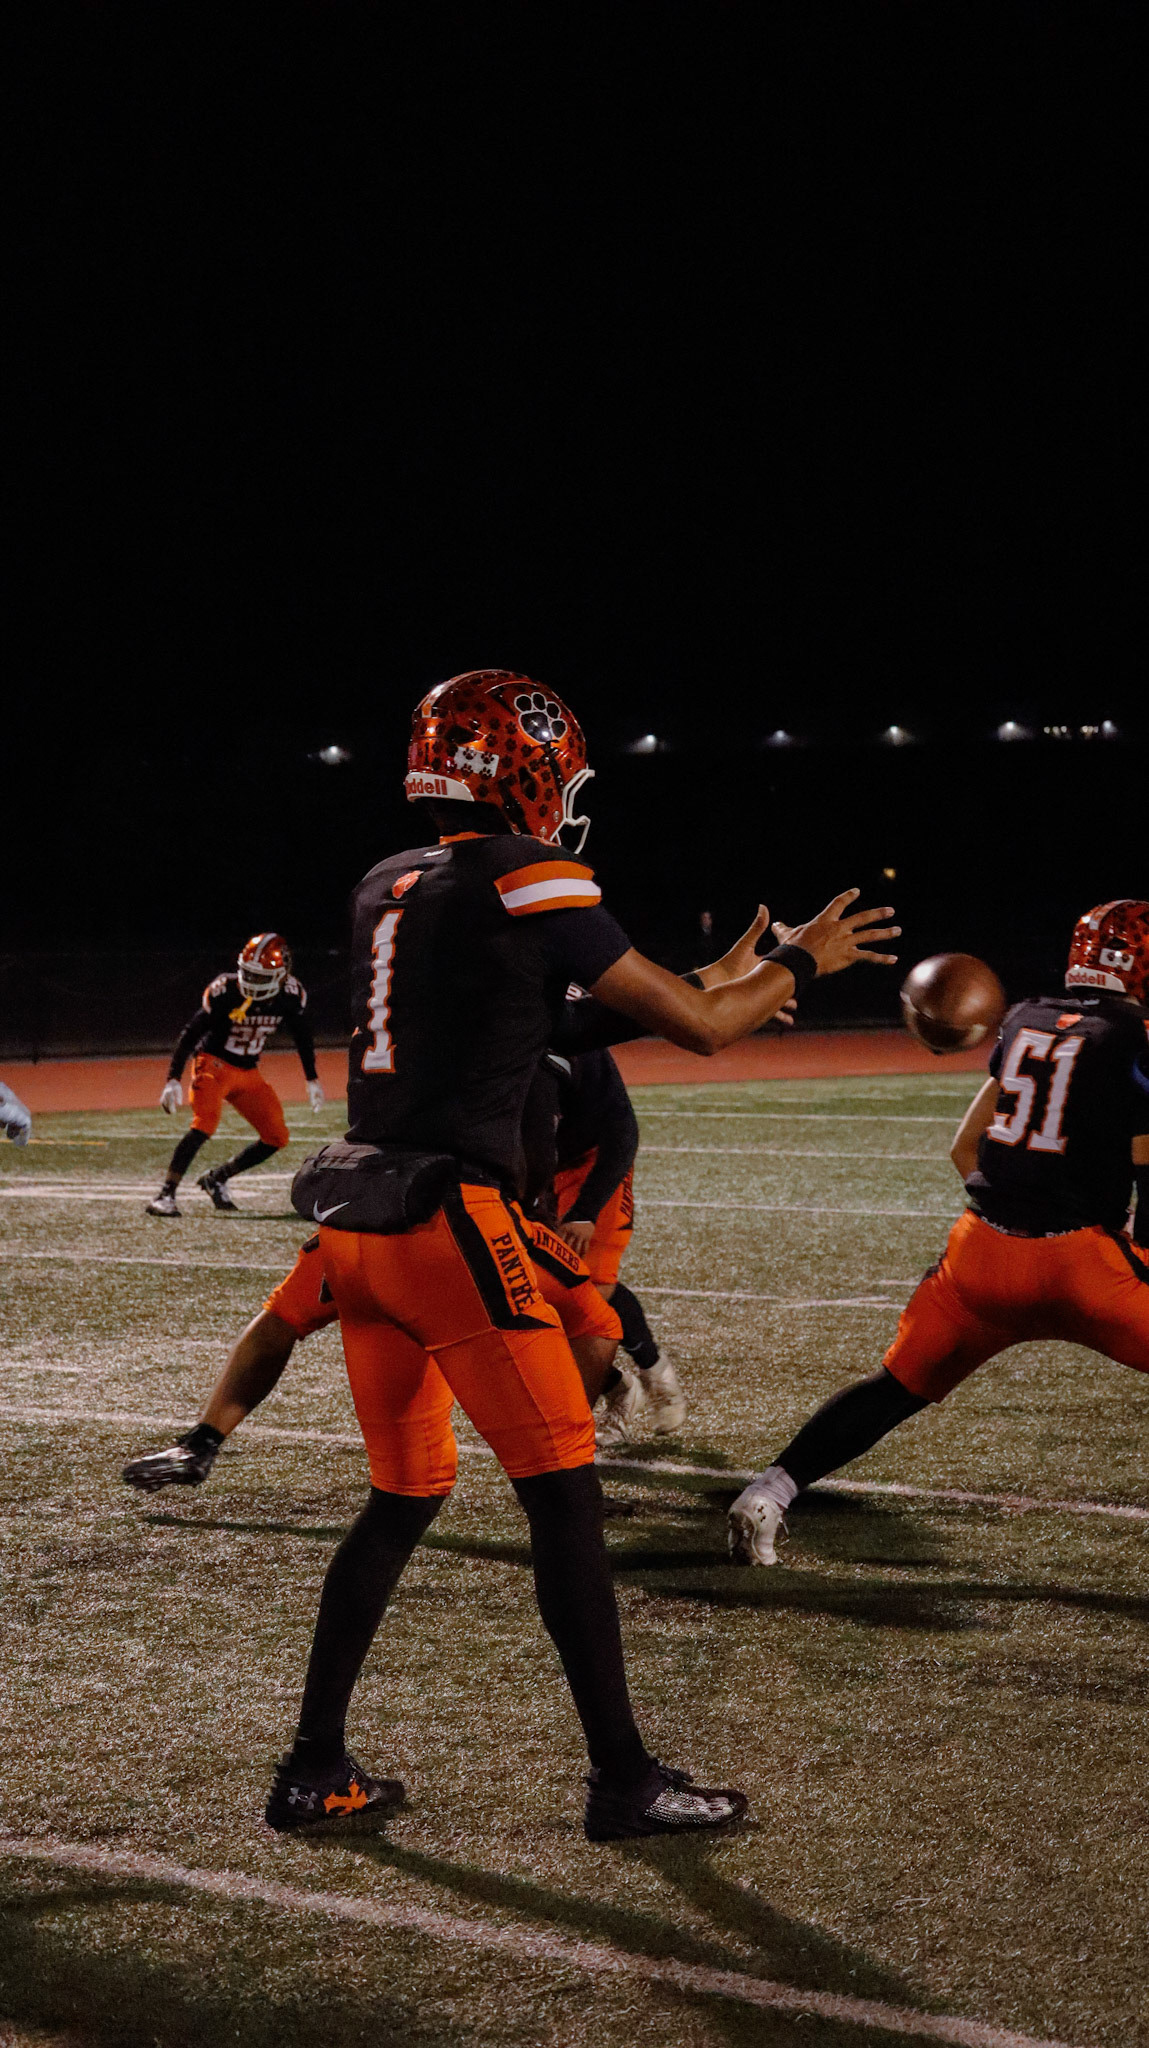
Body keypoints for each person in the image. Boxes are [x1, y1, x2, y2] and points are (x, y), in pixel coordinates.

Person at [263, 667, 897, 1839]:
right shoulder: (528, 870)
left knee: (402, 1498)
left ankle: (313, 1765)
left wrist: (721, 973)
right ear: (528, 770)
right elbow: (699, 1030)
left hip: (358, 1222)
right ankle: (622, 1780)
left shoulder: (388, 879)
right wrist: (797, 962)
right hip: (451, 1223)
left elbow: (544, 1017)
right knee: (564, 1497)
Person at [728, 898, 1149, 1566]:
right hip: (1083, 1268)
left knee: (893, 1389)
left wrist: (1016, 1206)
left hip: (980, 1257)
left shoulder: (1028, 1018)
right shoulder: (1135, 1037)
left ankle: (766, 1495)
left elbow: (964, 1147)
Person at [120, 1218, 624, 1492]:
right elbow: (597, 1323)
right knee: (409, 1495)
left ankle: (202, 1442)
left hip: (381, 1232)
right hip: (449, 1231)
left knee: (403, 1499)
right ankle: (562, 1478)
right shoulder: (518, 1235)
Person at [533, 1042, 684, 1443]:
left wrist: (585, 1210)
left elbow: (622, 1129)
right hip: (528, 1170)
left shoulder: (571, 1038)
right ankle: (617, 1386)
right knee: (525, 1291)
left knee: (592, 1284)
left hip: (590, 1159)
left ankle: (654, 1372)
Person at [144, 933, 324, 1217]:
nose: (253, 982)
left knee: (276, 1136)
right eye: (249, 974)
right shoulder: (226, 991)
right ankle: (165, 1195)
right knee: (204, 1123)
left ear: (281, 975)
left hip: (248, 1071)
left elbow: (302, 1034)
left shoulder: (290, 994)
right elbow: (191, 1033)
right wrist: (173, 1078)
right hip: (213, 1065)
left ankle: (217, 1178)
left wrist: (311, 1078)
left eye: (261, 977)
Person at [0, 1081, 32, 1147]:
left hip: (23, 1122)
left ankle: (22, 1142)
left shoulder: (5, 1112)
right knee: (11, 1135)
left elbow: (3, 1124)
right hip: (19, 1117)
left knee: (12, 1136)